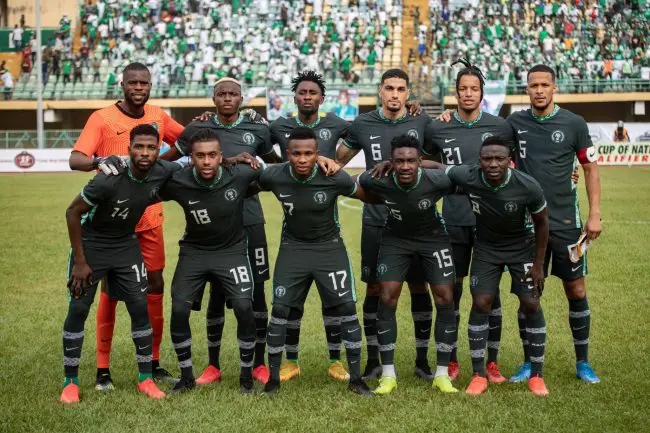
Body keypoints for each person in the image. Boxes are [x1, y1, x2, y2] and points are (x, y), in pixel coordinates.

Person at [69, 62, 184, 391]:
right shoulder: (102, 118)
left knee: (155, 285)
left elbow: (187, 140)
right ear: (122, 85)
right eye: (132, 82)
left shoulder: (158, 116)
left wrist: (163, 160)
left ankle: (153, 363)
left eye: (143, 83)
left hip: (148, 218)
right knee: (110, 291)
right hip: (110, 225)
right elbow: (76, 159)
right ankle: (103, 369)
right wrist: (98, 161)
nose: (138, 88)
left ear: (150, 85)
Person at [162, 77, 282, 386]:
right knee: (216, 291)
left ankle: (258, 363)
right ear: (213, 98)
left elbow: (276, 163)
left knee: (256, 292)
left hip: (250, 218)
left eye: (233, 94)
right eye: (221, 94)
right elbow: (167, 161)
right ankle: (213, 365)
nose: (227, 98)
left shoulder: (257, 128)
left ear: (242, 98)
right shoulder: (198, 128)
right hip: (212, 226)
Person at [59, 124, 177, 404]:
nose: (145, 152)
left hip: (126, 245)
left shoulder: (163, 171)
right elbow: (72, 212)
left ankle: (145, 378)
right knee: (79, 308)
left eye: (151, 147)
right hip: (93, 246)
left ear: (158, 150)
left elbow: (194, 164)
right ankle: (70, 382)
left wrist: (232, 160)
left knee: (139, 307)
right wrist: (80, 261)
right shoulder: (108, 178)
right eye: (139, 147)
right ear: (129, 149)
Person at [335, 69, 437, 382]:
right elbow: (338, 161)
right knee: (375, 288)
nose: (395, 94)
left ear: (408, 93)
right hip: (377, 220)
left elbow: (442, 157)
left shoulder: (422, 121)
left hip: (418, 221)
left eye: (401, 89)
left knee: (419, 286)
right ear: (380, 91)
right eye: (389, 88)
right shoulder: (363, 123)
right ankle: (373, 360)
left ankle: (422, 361)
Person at [257, 127, 372, 396]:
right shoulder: (273, 175)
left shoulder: (333, 176)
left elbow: (367, 195)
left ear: (317, 154)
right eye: (296, 153)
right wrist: (239, 160)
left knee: (346, 308)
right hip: (293, 249)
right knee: (280, 310)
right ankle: (273, 379)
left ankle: (356, 379)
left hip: (329, 249)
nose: (302, 159)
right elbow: (245, 184)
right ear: (287, 154)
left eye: (309, 153)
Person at [507, 64, 602, 384]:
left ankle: (583, 362)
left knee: (576, 289)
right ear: (527, 89)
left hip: (566, 223)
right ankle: (528, 363)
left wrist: (594, 213)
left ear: (554, 87)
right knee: (528, 294)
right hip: (526, 225)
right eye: (533, 85)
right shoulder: (514, 123)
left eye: (544, 85)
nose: (539, 90)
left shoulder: (574, 123)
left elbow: (590, 168)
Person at [422, 59, 514, 382]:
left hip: (491, 221)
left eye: (474, 88)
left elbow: (516, 166)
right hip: (454, 220)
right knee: (452, 291)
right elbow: (426, 161)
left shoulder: (500, 127)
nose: (469, 93)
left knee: (490, 292)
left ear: (482, 93)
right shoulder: (439, 127)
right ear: (456, 93)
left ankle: (491, 362)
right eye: (463, 89)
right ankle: (450, 360)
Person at [444, 136, 550, 397]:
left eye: (499, 158)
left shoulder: (527, 185)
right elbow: (438, 168)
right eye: (487, 159)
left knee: (531, 303)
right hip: (486, 248)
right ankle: (479, 374)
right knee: (481, 302)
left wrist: (538, 264)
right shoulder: (469, 176)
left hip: (521, 247)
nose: (493, 164)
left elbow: (542, 224)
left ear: (509, 161)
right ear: (479, 161)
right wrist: (395, 163)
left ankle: (537, 375)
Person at [158, 129, 261, 394]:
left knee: (244, 307)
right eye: (200, 156)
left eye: (212, 155)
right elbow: (145, 181)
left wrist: (320, 160)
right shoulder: (178, 180)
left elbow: (282, 173)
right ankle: (187, 377)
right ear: (191, 158)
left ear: (221, 156)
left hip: (231, 252)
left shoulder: (240, 174)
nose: (206, 161)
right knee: (179, 310)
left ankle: (246, 377)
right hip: (195, 252)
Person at [356, 135, 459, 395]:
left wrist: (435, 165)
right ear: (390, 162)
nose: (405, 166)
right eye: (399, 161)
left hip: (433, 239)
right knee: (387, 297)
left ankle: (442, 374)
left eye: (411, 161)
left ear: (419, 162)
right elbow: (354, 185)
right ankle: (388, 375)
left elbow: (464, 176)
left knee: (445, 298)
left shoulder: (437, 179)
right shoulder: (378, 178)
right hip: (395, 239)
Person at [269, 70, 352, 382]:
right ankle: (291, 361)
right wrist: (281, 169)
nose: (307, 97)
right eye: (302, 92)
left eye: (312, 93)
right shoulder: (279, 126)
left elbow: (362, 136)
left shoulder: (336, 123)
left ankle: (335, 361)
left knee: (333, 300)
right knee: (292, 301)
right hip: (294, 227)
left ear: (321, 98)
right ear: (294, 97)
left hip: (326, 223)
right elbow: (263, 147)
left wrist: (337, 163)